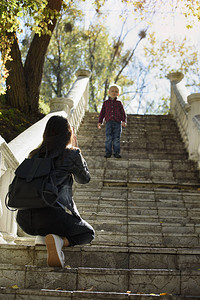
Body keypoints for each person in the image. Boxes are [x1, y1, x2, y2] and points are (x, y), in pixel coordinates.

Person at [16, 115, 95, 268]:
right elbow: (84, 179)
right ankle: (58, 241)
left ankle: (45, 237)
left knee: (46, 219)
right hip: (52, 218)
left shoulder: (34, 154)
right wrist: (75, 149)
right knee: (88, 233)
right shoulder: (71, 154)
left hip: (24, 220)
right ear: (68, 134)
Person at [97, 84, 127, 158]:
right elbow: (102, 113)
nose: (114, 92)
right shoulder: (106, 103)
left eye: (116, 91)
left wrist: (124, 120)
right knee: (108, 138)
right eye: (112, 91)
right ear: (109, 92)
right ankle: (108, 152)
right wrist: (100, 122)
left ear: (118, 94)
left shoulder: (119, 103)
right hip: (109, 123)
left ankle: (116, 152)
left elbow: (123, 112)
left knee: (116, 138)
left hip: (117, 123)